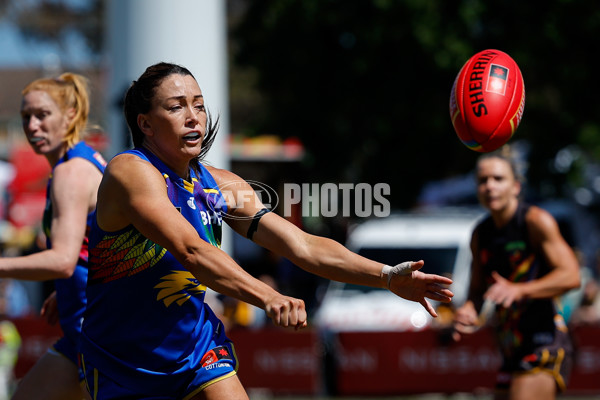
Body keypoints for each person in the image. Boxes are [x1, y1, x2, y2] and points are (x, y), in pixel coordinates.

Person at [79, 62, 454, 400]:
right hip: (123, 363)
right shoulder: (130, 171)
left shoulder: (221, 185)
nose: (193, 117)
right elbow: (192, 251)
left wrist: (386, 276)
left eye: (198, 104)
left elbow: (301, 245)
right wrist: (268, 296)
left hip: (196, 351)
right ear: (145, 123)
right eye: (176, 107)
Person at [1, 73, 107, 400]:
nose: (32, 126)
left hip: (100, 335)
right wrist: (68, 290)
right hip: (84, 330)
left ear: (70, 115)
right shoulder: (82, 161)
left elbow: (62, 260)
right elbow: (96, 247)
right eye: (25, 117)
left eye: (42, 115)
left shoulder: (70, 171)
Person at [452, 148, 580, 400]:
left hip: (545, 341)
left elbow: (571, 275)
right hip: (510, 347)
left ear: (516, 186)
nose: (489, 186)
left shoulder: (535, 221)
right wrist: (468, 309)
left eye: (498, 179)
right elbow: (477, 291)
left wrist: (520, 289)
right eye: (482, 180)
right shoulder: (480, 234)